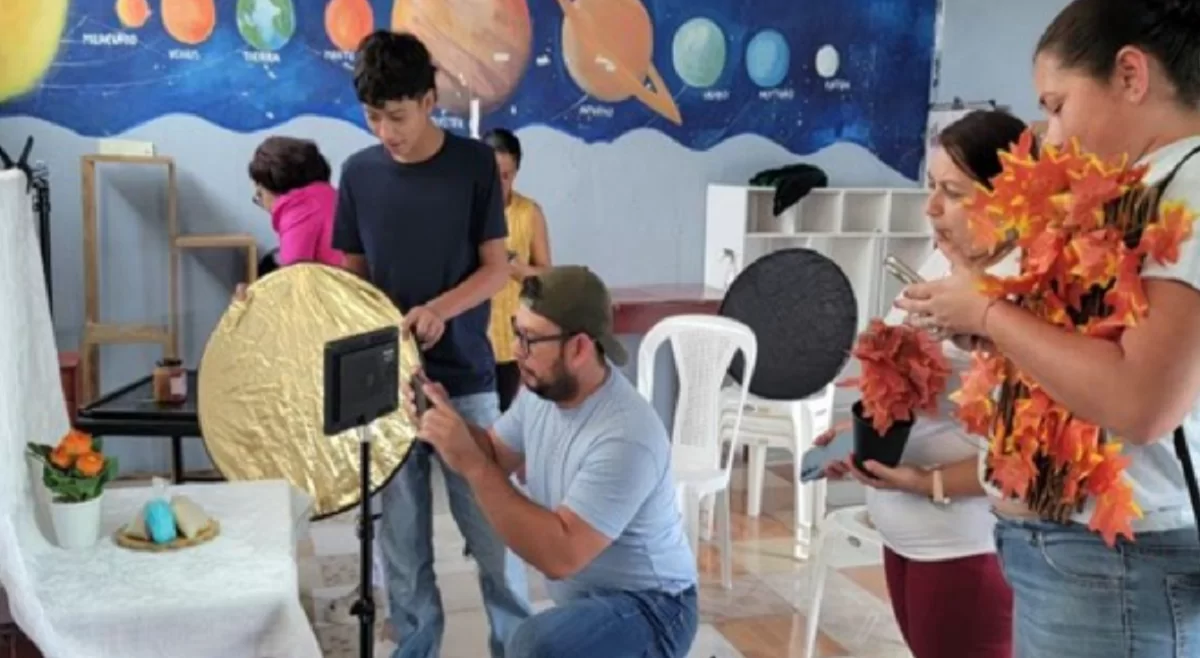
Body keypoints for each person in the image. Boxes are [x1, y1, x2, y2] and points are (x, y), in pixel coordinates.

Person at [897, 1, 1200, 655]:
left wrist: (989, 313)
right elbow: (1108, 351)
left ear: (1130, 75)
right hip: (1084, 556)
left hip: (1116, 566)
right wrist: (1001, 331)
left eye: (1058, 106)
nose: (1052, 139)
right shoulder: (1144, 186)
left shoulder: (1188, 188)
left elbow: (1142, 404)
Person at [331, 30, 531, 658]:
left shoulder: (473, 166)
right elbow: (355, 281)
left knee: (494, 532)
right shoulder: (358, 174)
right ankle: (416, 646)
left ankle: (519, 646)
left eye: (397, 115)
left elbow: (496, 270)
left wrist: (440, 310)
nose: (385, 131)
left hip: (465, 381)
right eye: (372, 117)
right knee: (401, 541)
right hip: (387, 386)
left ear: (428, 100)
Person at [813, 110, 1023, 658]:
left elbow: (1021, 457)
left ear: (1008, 199)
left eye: (952, 192)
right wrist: (864, 440)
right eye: (931, 186)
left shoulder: (1020, 300)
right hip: (908, 535)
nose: (930, 207)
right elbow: (924, 393)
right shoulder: (944, 261)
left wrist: (924, 482)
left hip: (966, 547)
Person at [409, 266, 699, 658]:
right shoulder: (541, 392)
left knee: (538, 645)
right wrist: (448, 419)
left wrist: (472, 465)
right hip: (590, 599)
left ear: (578, 348)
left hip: (656, 608)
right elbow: (494, 452)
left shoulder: (626, 435)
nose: (516, 351)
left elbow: (559, 555)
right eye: (516, 332)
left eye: (529, 339)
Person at [482, 128, 552, 412]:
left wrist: (515, 267)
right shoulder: (464, 210)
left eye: (505, 176)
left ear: (516, 173)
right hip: (471, 340)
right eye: (491, 175)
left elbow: (547, 277)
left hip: (512, 340)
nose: (497, 184)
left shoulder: (529, 213)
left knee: (506, 421)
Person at [247, 136, 342, 267]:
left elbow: (293, 275)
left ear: (271, 187)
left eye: (260, 195)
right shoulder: (332, 195)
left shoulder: (298, 210)